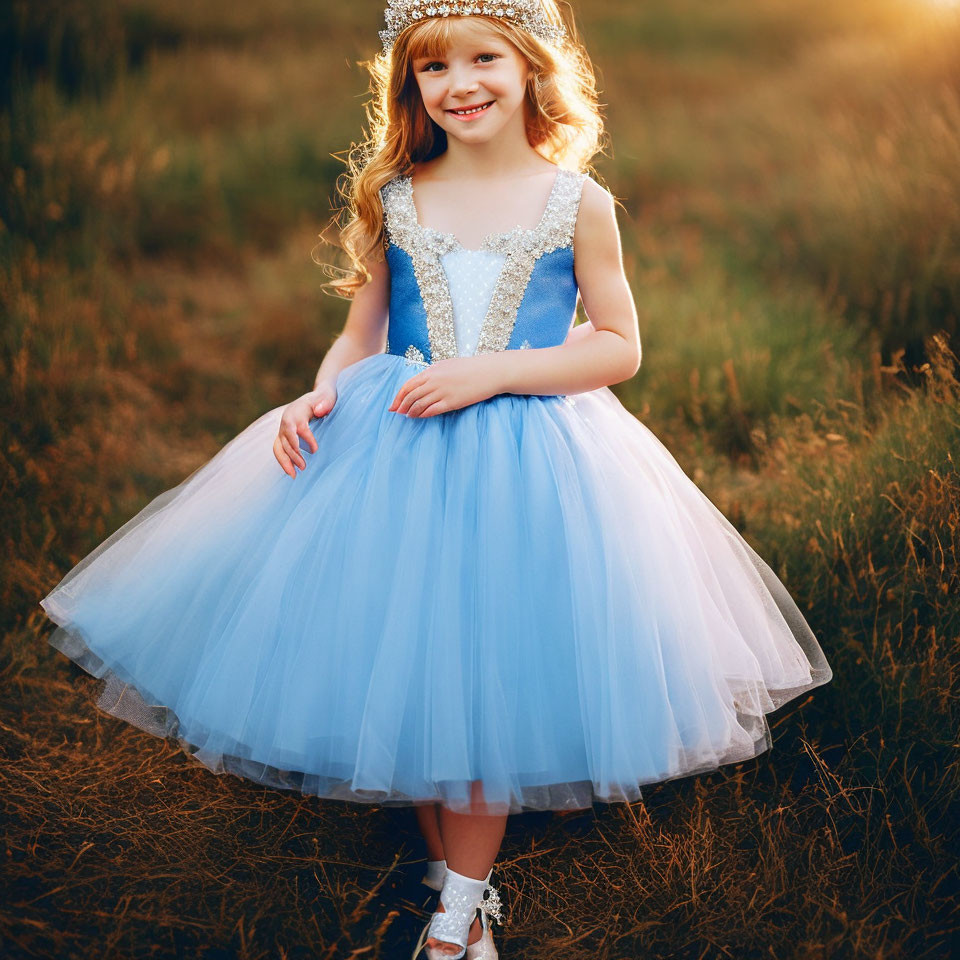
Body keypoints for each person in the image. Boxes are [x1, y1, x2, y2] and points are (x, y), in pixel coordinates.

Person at [38, 2, 832, 958]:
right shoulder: (397, 196)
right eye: (433, 67)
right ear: (407, 85)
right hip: (397, 444)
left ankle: (458, 913)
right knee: (414, 655)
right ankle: (454, 863)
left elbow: (618, 348)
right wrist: (318, 394)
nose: (461, 83)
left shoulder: (577, 202)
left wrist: (491, 371)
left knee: (490, 662)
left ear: (532, 67)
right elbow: (359, 333)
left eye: (484, 58)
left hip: (529, 455)